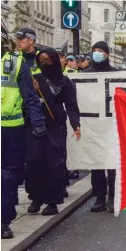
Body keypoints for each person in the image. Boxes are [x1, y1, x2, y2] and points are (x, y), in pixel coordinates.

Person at [1, 22, 46, 239]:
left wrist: (38, 124)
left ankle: (3, 220)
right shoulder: (16, 62)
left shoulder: (17, 63)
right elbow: (30, 98)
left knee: (9, 176)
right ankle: (3, 221)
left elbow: (30, 98)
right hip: (12, 129)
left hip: (12, 130)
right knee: (9, 175)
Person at [25, 48, 80, 216]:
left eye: (47, 61)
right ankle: (36, 197)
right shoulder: (35, 79)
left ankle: (52, 201)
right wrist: (32, 91)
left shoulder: (65, 82)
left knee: (53, 164)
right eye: (41, 61)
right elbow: (26, 100)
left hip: (55, 127)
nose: (44, 64)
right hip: (34, 125)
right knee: (34, 162)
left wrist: (75, 124)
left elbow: (71, 104)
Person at [83, 41, 118, 213]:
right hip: (94, 126)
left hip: (111, 126)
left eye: (100, 51)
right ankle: (99, 197)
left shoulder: (117, 74)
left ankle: (112, 196)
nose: (97, 53)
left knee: (112, 164)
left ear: (107, 54)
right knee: (96, 163)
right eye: (94, 50)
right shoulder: (85, 74)